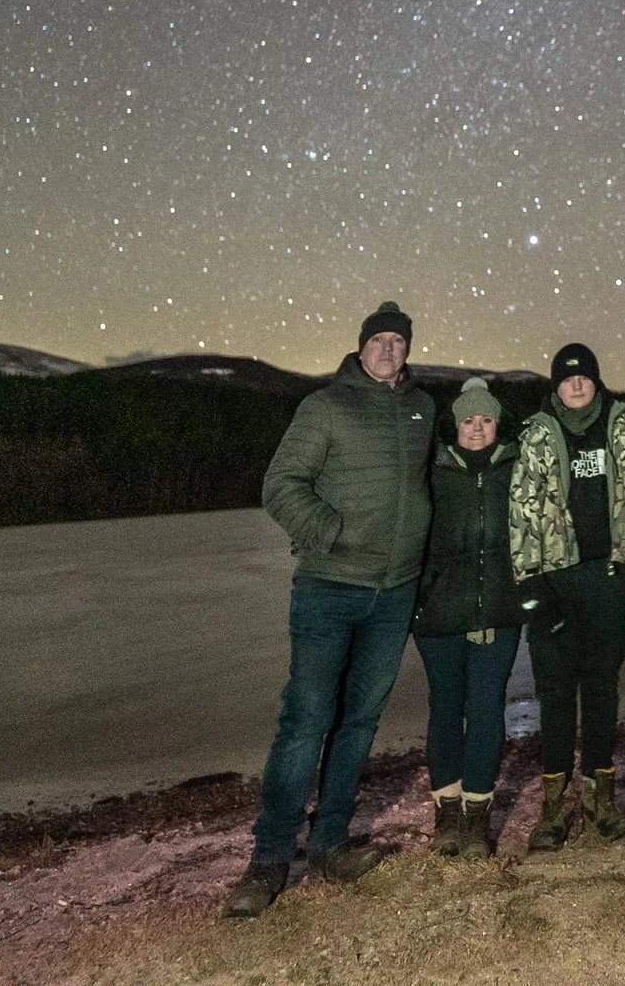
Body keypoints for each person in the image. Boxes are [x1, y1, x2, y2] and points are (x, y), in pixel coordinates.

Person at [223, 300, 438, 919]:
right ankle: (268, 860)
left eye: (399, 342)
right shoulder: (324, 408)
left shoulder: (422, 408)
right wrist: (331, 531)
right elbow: (280, 484)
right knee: (306, 720)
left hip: (395, 592)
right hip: (329, 589)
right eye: (381, 341)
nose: (389, 350)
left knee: (361, 721)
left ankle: (330, 843)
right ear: (361, 346)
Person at [507, 341, 625, 851]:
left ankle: (600, 801)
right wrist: (528, 581)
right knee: (554, 693)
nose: (576, 385)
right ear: (556, 385)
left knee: (601, 688)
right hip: (554, 580)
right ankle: (553, 810)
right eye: (567, 378)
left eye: (584, 377)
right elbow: (521, 513)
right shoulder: (536, 436)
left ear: (595, 381)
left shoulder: (623, 429)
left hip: (607, 577)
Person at [410, 376, 525, 858]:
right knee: (445, 708)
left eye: (486, 419)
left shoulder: (517, 467)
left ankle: (477, 815)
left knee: (485, 710)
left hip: (499, 608)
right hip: (438, 611)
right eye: (468, 420)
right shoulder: (431, 469)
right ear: (453, 425)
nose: (477, 429)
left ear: (498, 423)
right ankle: (447, 814)